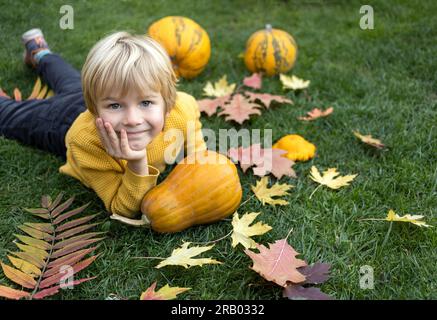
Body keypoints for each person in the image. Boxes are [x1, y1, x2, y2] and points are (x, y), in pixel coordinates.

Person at [0, 28, 207, 219]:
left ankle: (40, 52)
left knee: (69, 81)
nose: (133, 120)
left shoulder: (183, 109)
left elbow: (198, 154)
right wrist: (137, 163)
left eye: (145, 102)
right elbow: (123, 208)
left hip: (98, 97)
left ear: (167, 105)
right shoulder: (85, 141)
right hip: (60, 120)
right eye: (116, 106)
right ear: (95, 108)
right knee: (11, 116)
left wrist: (200, 163)